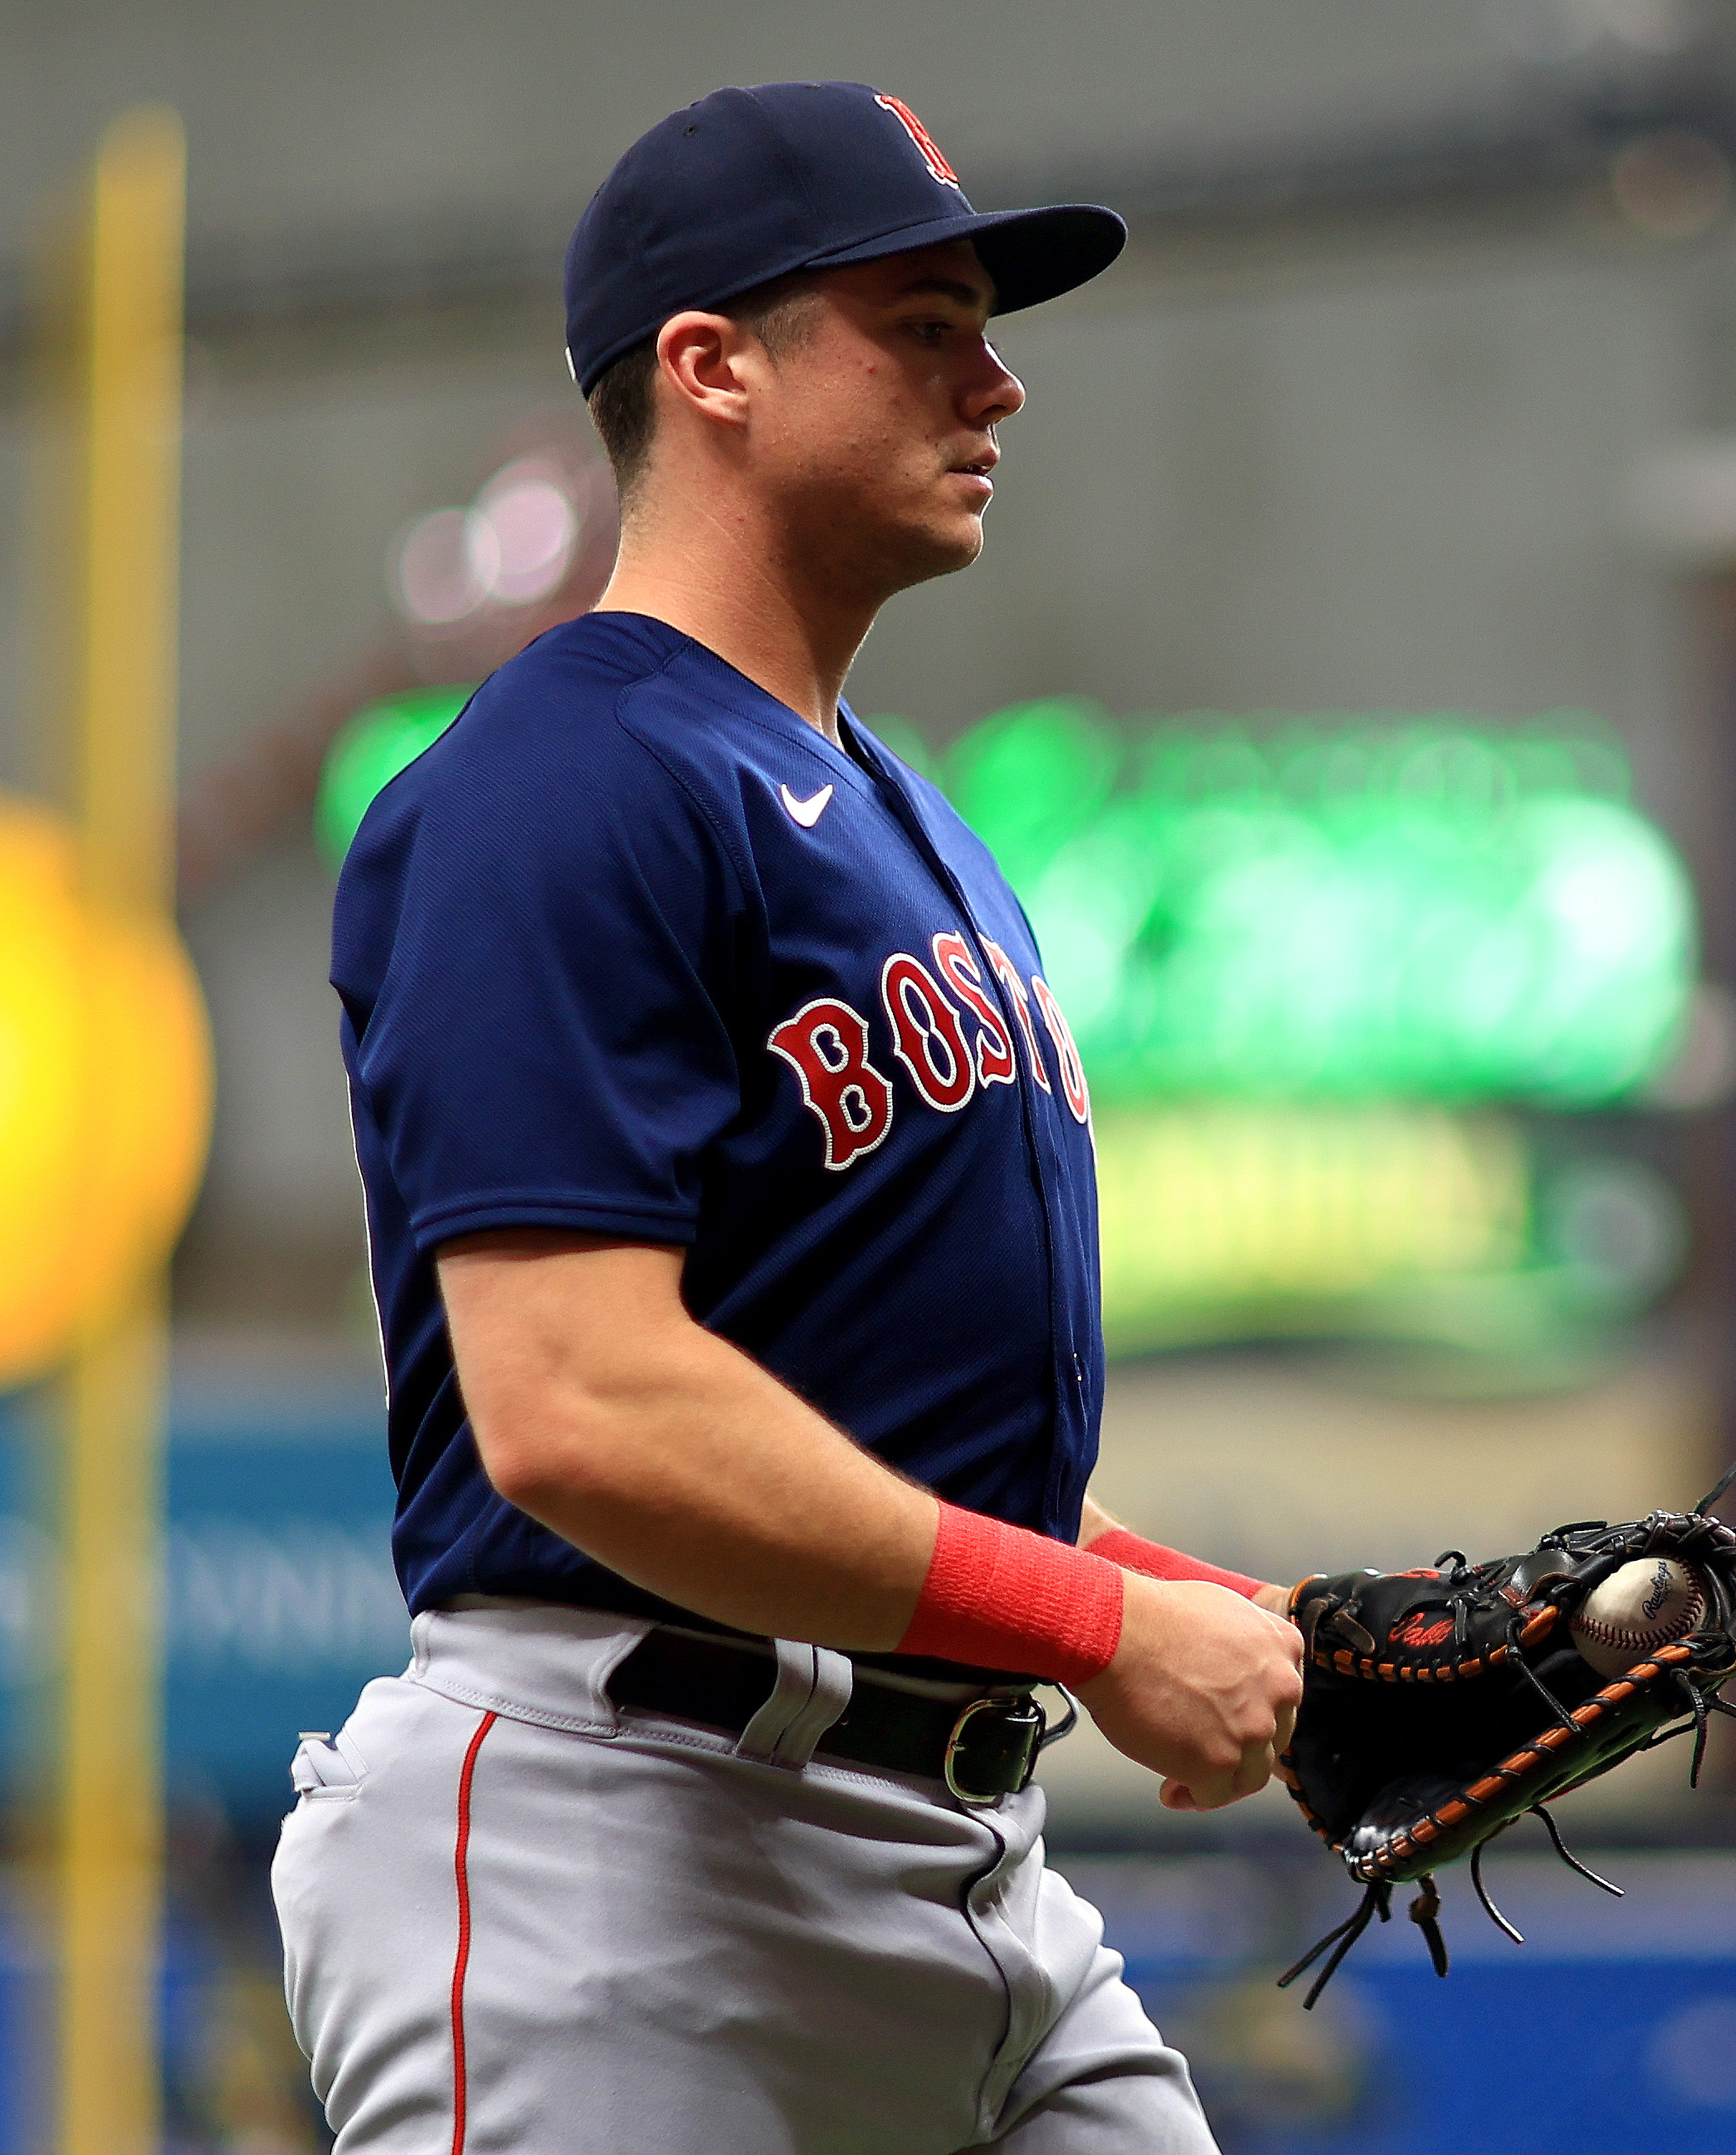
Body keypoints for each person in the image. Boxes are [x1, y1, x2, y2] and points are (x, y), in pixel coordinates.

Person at [275, 82, 1302, 2153]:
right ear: (711, 365)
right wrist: (1101, 1625)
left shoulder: (909, 821)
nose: (998, 381)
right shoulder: (561, 785)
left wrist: (1219, 1618)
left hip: (963, 1860)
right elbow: (585, 1411)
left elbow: (853, 1428)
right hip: (620, 1851)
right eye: (924, 320)